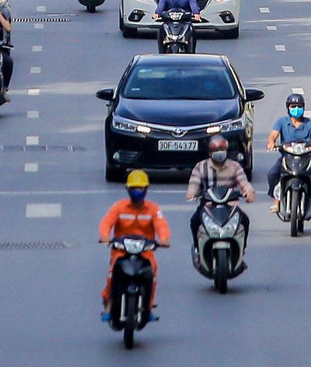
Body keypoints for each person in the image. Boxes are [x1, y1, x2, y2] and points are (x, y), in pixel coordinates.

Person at [99, 170, 170, 321]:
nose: (137, 191)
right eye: (133, 188)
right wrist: (105, 237)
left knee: (153, 270)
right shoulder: (119, 207)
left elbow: (161, 226)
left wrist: (163, 239)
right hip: (121, 250)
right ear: (127, 189)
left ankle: (148, 306)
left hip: (145, 251)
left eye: (140, 188)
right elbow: (107, 222)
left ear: (146, 189)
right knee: (113, 271)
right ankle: (109, 302)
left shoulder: (153, 209)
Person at [265, 93, 311, 214]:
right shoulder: (281, 122)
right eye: (293, 106)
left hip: (307, 157)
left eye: (299, 106)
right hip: (287, 157)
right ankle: (276, 202)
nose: (296, 109)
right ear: (288, 108)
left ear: (303, 108)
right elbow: (273, 135)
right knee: (272, 173)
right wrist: (271, 143)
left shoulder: (309, 123)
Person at [184, 134, 254, 240]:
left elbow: (244, 183)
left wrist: (249, 192)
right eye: (216, 150)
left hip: (230, 206)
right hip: (207, 206)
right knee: (194, 222)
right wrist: (191, 193)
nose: (219, 153)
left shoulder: (235, 166)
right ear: (210, 153)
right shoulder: (201, 167)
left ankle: (241, 249)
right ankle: (197, 249)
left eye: (222, 149)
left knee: (245, 221)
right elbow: (194, 183)